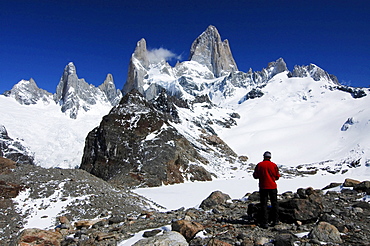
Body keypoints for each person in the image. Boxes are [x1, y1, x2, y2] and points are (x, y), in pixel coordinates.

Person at [253, 151, 280, 228]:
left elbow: (255, 175)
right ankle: (275, 221)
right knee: (274, 203)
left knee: (263, 204)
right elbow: (277, 176)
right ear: (270, 157)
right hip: (272, 186)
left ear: (264, 157)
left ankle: (264, 222)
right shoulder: (274, 165)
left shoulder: (259, 165)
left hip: (263, 187)